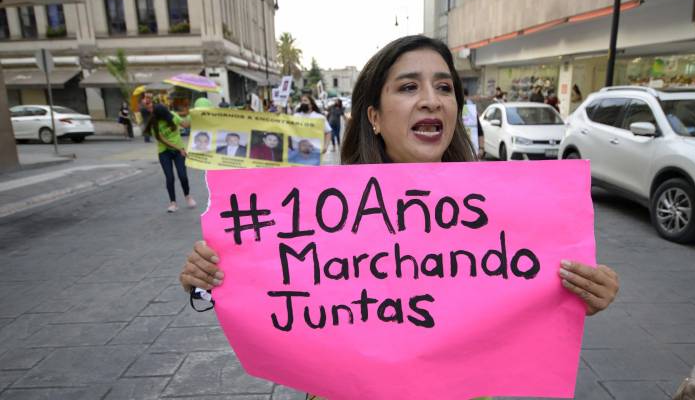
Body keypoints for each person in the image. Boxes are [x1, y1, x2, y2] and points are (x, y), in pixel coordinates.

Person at [181, 34, 619, 314]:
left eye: (444, 87)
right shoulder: (320, 212)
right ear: (373, 116)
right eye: (409, 87)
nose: (431, 100)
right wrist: (208, 280)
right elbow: (255, 290)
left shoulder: (505, 210)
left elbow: (534, 293)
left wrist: (583, 293)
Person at [142, 96, 196, 213]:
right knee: (169, 177)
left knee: (183, 176)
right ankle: (173, 203)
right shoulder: (154, 122)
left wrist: (191, 114)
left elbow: (186, 125)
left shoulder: (172, 116)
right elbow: (162, 140)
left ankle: (188, 196)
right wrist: (179, 148)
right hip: (164, 152)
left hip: (178, 151)